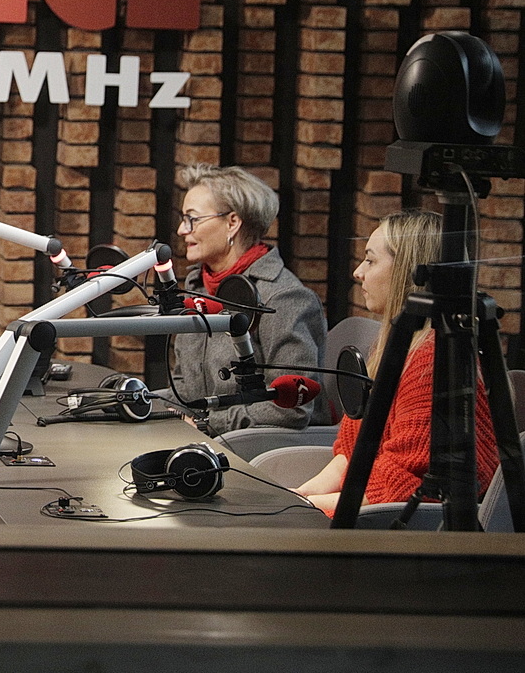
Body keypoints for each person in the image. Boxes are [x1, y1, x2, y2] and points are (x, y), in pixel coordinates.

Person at [294, 209, 498, 515]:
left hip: (410, 528)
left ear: (407, 270)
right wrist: (300, 495)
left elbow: (402, 487)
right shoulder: (396, 344)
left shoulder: (431, 362)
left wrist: (302, 509)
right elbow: (354, 450)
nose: (358, 272)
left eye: (371, 260)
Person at [171, 163, 326, 436]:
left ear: (232, 222)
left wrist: (208, 424)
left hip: (252, 450)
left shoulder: (284, 299)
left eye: (192, 219)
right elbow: (184, 387)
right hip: (203, 441)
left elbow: (291, 409)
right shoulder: (198, 289)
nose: (182, 230)